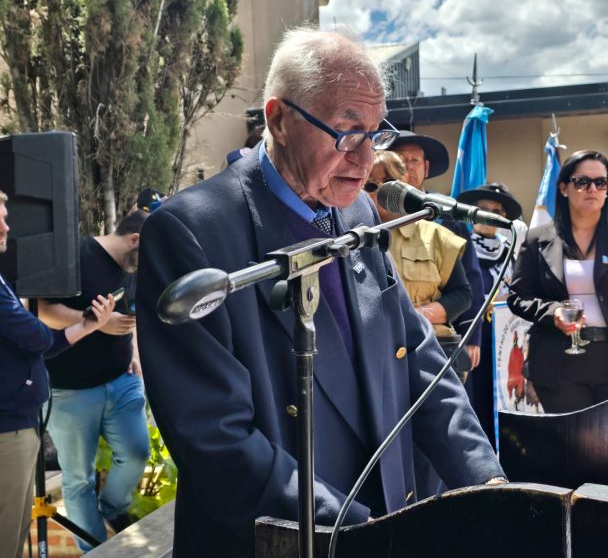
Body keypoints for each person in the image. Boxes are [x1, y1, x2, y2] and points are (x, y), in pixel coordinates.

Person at [135, 28, 505, 557]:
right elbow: (215, 440)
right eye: (347, 131)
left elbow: (419, 361)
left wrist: (489, 486)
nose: (365, 158)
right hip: (290, 539)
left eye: (375, 133)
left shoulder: (356, 213)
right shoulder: (192, 231)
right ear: (279, 120)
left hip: (383, 521)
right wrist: (359, 531)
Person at [0, 190, 115, 558]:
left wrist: (88, 325)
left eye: (5, 217)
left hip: (18, 428)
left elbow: (41, 343)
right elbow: (37, 336)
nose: (7, 227)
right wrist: (39, 320)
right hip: (6, 434)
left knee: (14, 534)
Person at [507, 150, 608, 413]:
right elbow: (517, 296)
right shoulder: (537, 239)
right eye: (582, 182)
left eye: (601, 182)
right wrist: (553, 312)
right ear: (564, 188)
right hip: (558, 366)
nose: (592, 189)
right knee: (572, 439)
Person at [37, 210, 151, 551]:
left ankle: (112, 509)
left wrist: (134, 352)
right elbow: (41, 308)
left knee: (137, 452)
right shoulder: (76, 254)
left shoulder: (132, 266)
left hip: (122, 381)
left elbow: (129, 314)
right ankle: (96, 550)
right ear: (134, 240)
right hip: (70, 391)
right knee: (78, 479)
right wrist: (94, 322)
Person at [366, 150, 472, 375]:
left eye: (389, 182)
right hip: (376, 356)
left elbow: (462, 295)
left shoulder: (436, 236)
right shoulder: (349, 240)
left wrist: (415, 316)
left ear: (404, 182)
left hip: (430, 352)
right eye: (371, 185)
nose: (381, 192)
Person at [388, 131, 485, 372]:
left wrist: (471, 335)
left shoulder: (446, 215)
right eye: (401, 160)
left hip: (438, 343)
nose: (408, 167)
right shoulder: (368, 218)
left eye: (414, 160)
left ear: (426, 168)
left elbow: (470, 282)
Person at [457, 183, 523, 440]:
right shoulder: (460, 247)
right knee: (476, 403)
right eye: (482, 209)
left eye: (495, 211)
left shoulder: (509, 250)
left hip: (505, 341)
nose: (488, 215)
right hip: (474, 338)